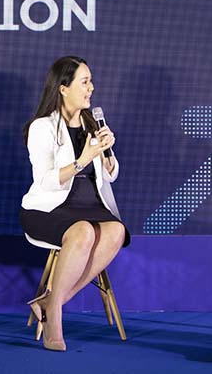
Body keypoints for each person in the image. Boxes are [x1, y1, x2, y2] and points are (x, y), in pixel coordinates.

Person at [20, 56, 129, 351]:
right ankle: (54, 317)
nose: (91, 88)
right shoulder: (42, 127)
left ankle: (50, 301)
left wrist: (107, 153)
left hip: (90, 203)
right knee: (82, 231)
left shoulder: (92, 123)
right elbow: (45, 181)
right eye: (85, 82)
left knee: (116, 231)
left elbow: (110, 174)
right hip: (48, 207)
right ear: (63, 88)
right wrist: (83, 159)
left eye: (91, 81)